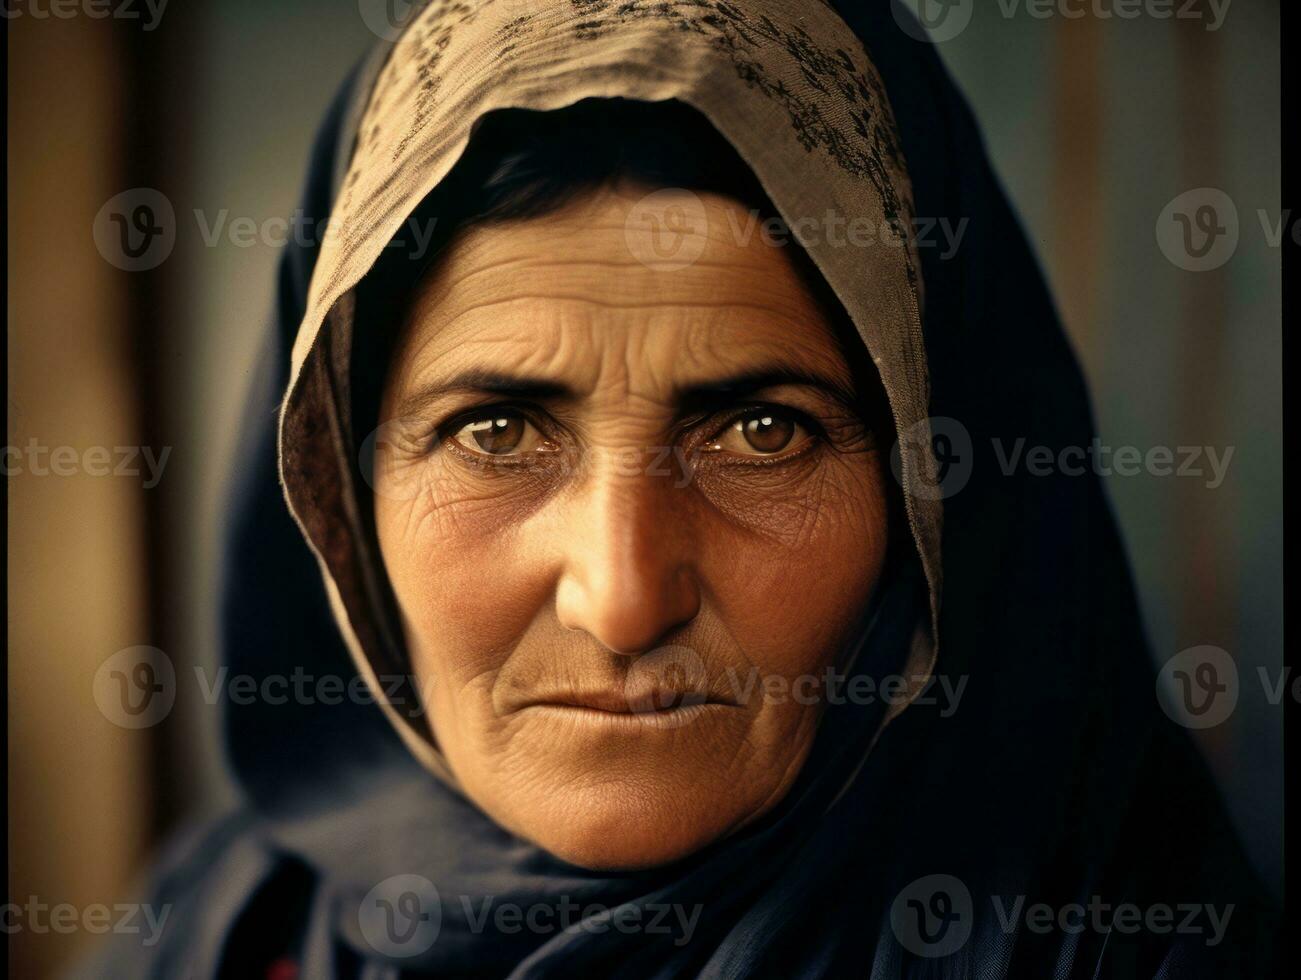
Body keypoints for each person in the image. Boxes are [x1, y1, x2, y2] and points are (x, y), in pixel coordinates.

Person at [77, 2, 1278, 977]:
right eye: (494, 428)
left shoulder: (1128, 941)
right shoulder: (216, 930)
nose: (622, 595)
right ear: (339, 492)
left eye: (762, 430)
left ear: (933, 496)